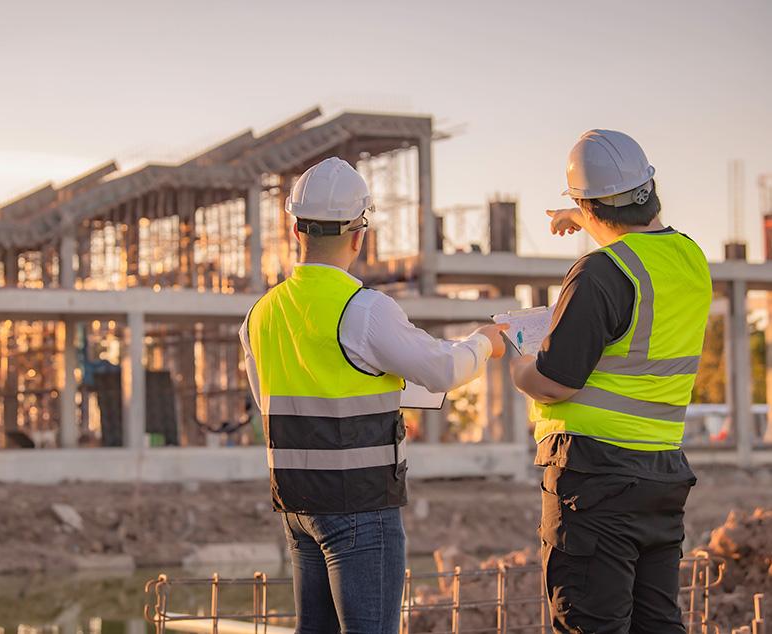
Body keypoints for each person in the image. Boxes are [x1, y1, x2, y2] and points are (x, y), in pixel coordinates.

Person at [239, 157, 507, 633]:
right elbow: (442, 369)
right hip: (359, 507)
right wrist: (486, 341)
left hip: (298, 506)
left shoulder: (261, 314)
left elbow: (273, 402)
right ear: (360, 235)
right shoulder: (365, 310)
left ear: (296, 230)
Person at [509, 130, 712, 633]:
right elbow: (640, 236)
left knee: (590, 623)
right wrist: (582, 215)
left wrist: (518, 361)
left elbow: (555, 382)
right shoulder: (691, 259)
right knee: (656, 624)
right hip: (662, 477)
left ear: (587, 202)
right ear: (651, 188)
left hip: (595, 481)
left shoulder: (600, 273)